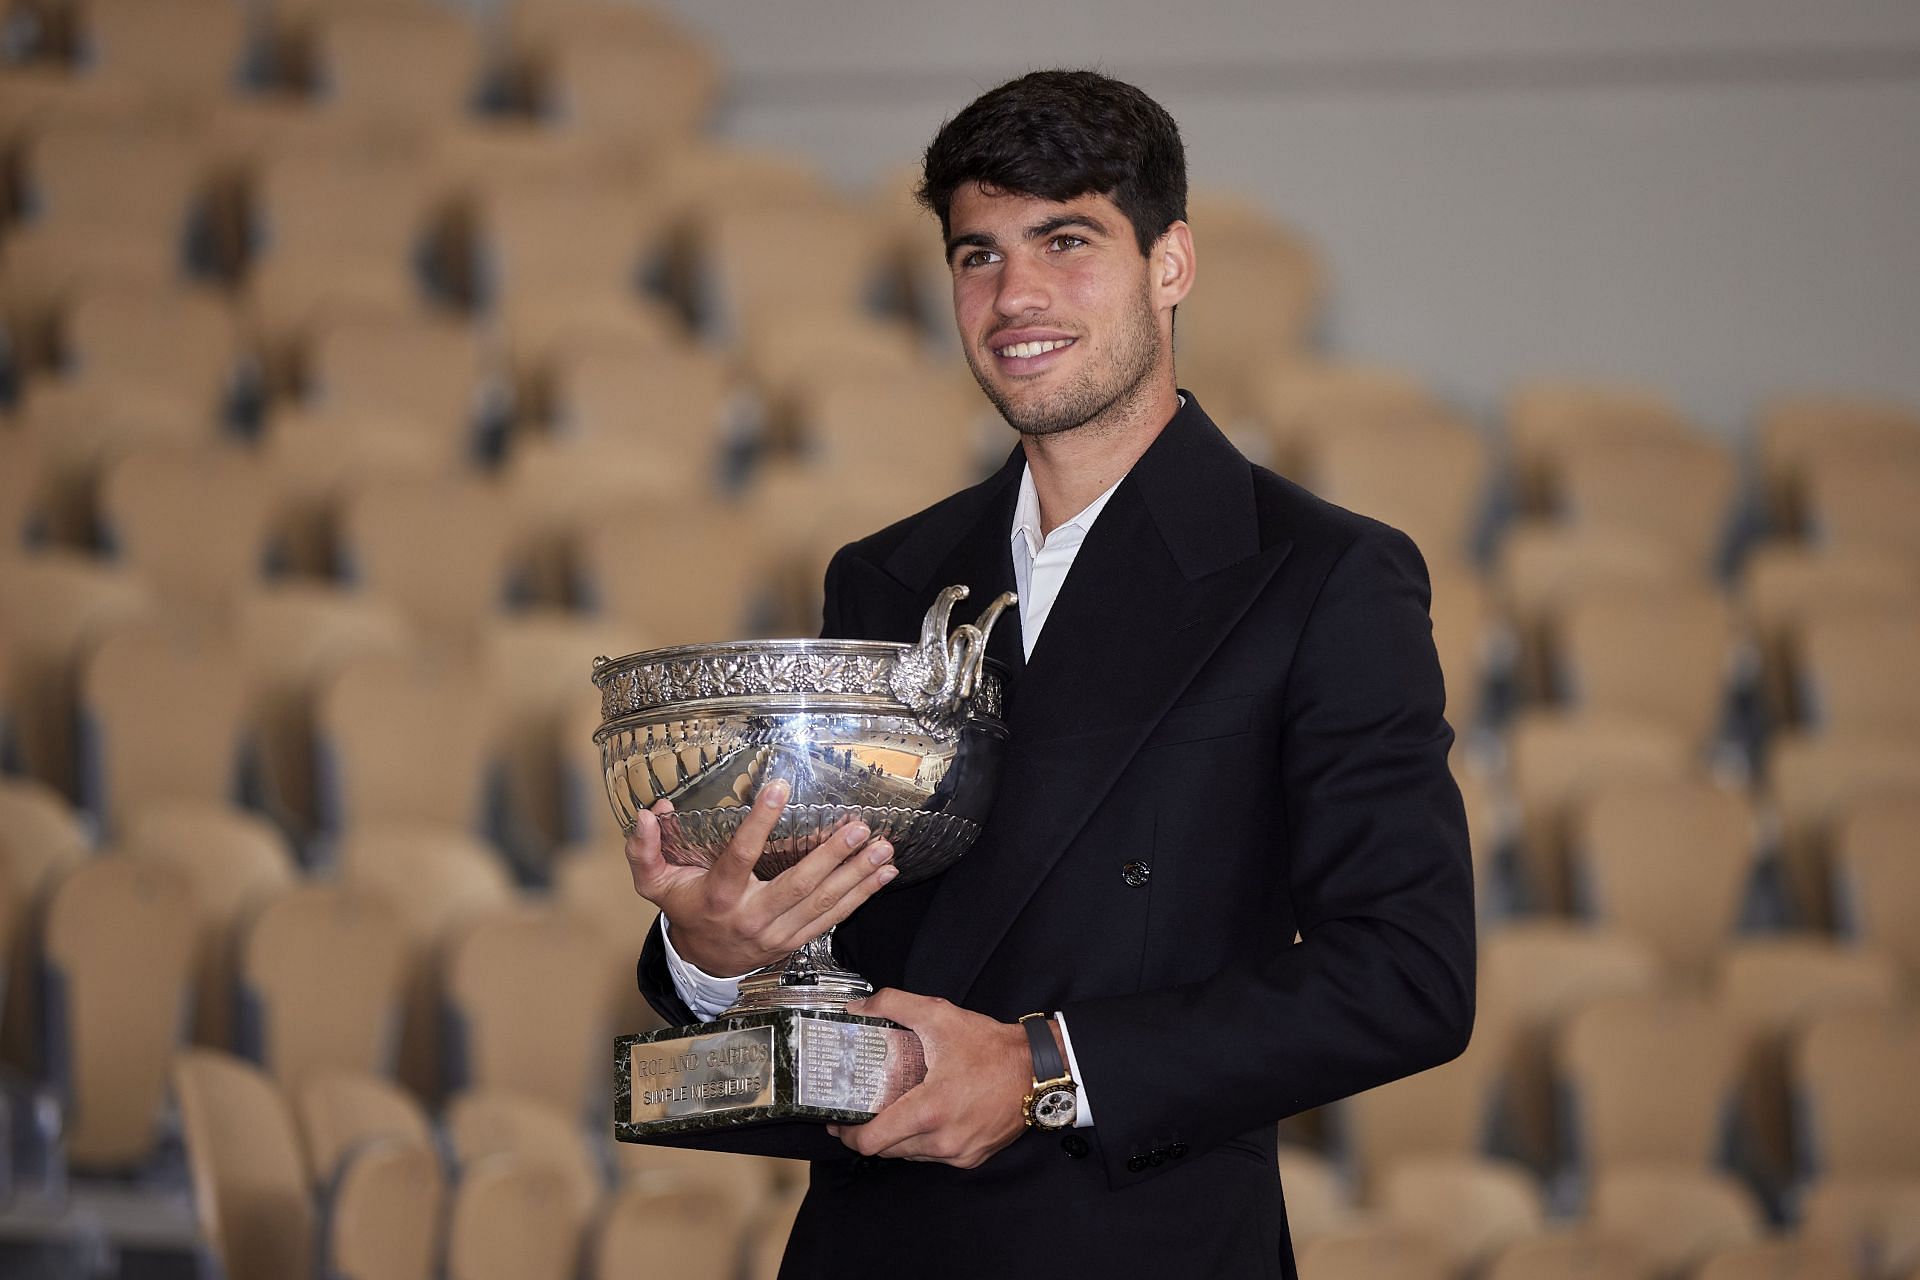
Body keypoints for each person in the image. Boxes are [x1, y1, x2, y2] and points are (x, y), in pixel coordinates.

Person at [625, 68, 1475, 1279]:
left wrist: (1045, 1068)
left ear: (1171, 263)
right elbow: (845, 970)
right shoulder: (885, 575)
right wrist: (718, 955)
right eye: (978, 254)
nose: (1014, 293)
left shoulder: (1324, 576)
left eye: (1064, 240)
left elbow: (1408, 973)